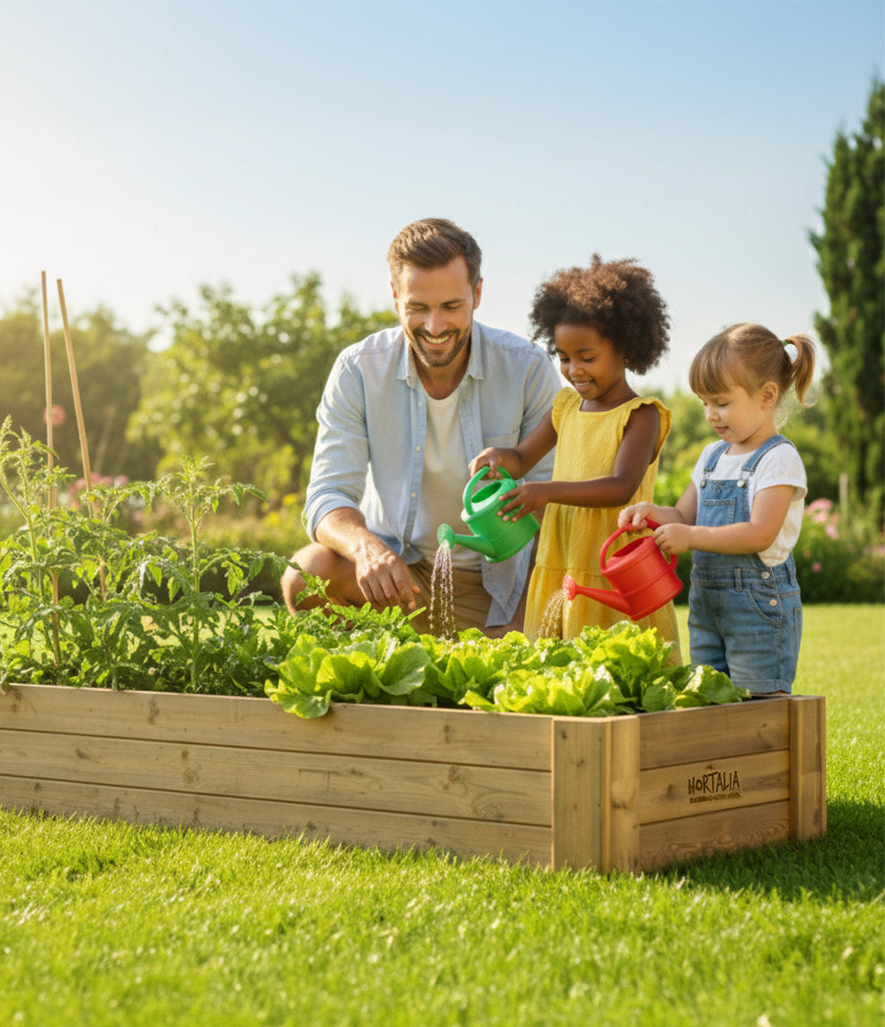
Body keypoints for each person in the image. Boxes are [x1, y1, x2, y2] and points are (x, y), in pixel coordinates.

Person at [281, 218, 561, 634]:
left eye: (451, 306)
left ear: (477, 293)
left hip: (500, 591)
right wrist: (368, 550)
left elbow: (554, 511)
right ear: (395, 297)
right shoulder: (359, 370)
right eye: (418, 308)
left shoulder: (527, 369)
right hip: (399, 583)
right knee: (306, 573)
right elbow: (328, 495)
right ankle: (381, 676)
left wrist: (524, 621)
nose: (434, 327)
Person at [470, 255, 682, 659]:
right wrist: (499, 458)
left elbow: (621, 487)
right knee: (560, 666)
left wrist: (545, 492)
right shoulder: (566, 407)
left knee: (619, 665)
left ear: (626, 350)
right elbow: (522, 457)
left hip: (613, 560)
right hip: (563, 555)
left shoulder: (641, 415)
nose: (574, 370)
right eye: (564, 357)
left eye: (587, 357)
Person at [620, 324, 816, 694]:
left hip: (757, 608)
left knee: (759, 702)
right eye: (705, 403)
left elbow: (760, 533)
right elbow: (682, 517)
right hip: (707, 606)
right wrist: (650, 512)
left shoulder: (778, 459)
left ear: (767, 395)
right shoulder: (712, 456)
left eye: (722, 402)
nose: (711, 414)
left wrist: (690, 537)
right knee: (710, 698)